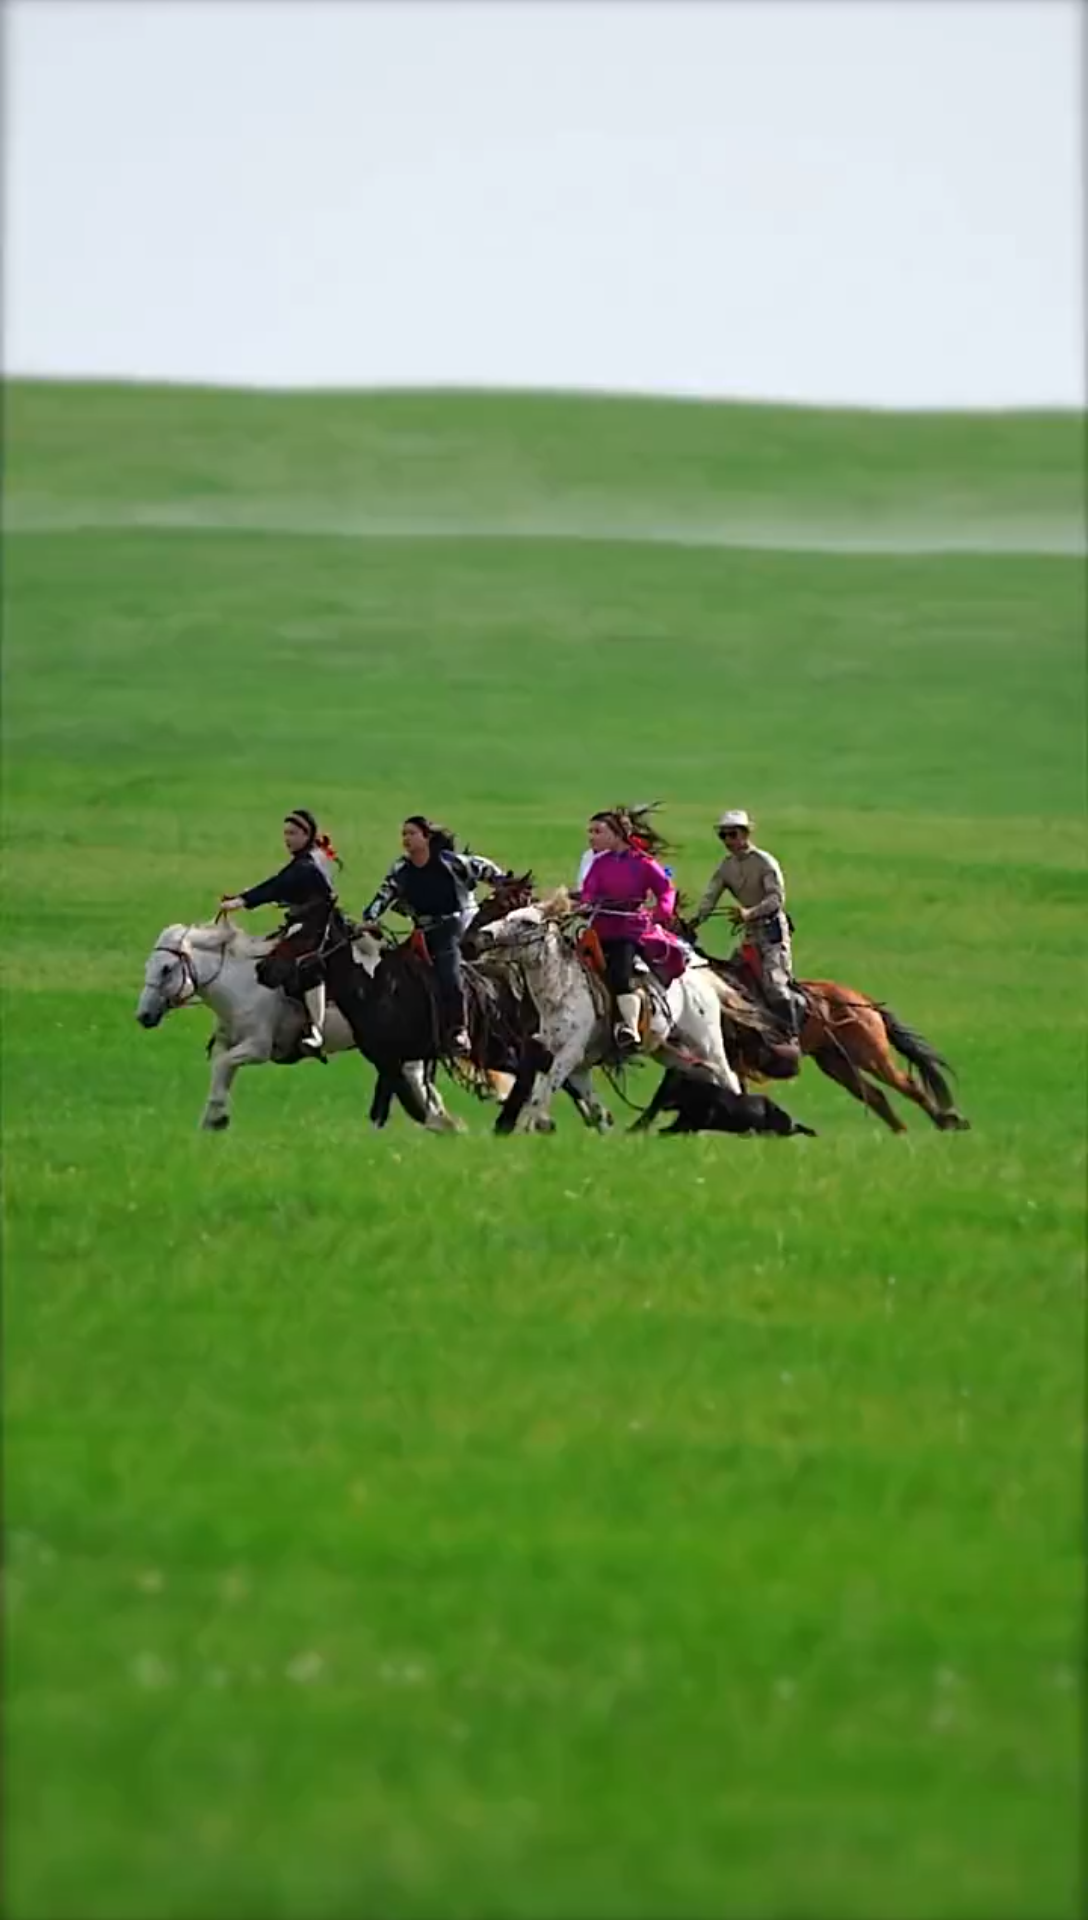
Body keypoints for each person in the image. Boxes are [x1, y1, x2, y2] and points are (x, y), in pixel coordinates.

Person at [360, 817, 507, 1054]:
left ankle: (459, 1029)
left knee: (448, 972)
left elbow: (483, 867)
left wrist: (504, 884)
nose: (406, 839)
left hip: (451, 927)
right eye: (404, 834)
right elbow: (384, 893)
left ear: (426, 837)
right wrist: (371, 917)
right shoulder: (402, 868)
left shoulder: (451, 862)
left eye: (412, 834)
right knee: (389, 967)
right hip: (422, 930)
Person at [219, 807, 342, 1057]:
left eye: (293, 833)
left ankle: (315, 1028)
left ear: (307, 835)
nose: (288, 839)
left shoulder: (307, 864)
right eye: (286, 833)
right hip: (310, 923)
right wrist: (246, 895)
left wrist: (242, 901)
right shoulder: (311, 856)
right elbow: (282, 883)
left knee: (303, 966)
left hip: (317, 928)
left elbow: (278, 885)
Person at [578, 809, 686, 1051]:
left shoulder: (644, 864)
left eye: (598, 832)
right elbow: (589, 890)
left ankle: (629, 1027)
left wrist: (662, 912)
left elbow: (666, 890)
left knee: (619, 974)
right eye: (590, 832)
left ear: (617, 835)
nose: (591, 837)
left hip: (627, 929)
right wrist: (586, 903)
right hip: (598, 927)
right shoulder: (600, 863)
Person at [690, 809, 799, 1039]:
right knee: (734, 981)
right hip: (750, 932)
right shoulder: (726, 867)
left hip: (772, 930)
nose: (728, 841)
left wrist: (749, 913)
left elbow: (776, 899)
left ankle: (792, 1034)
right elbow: (710, 897)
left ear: (745, 834)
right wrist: (693, 922)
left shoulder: (764, 862)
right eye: (724, 836)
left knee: (775, 986)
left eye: (733, 834)